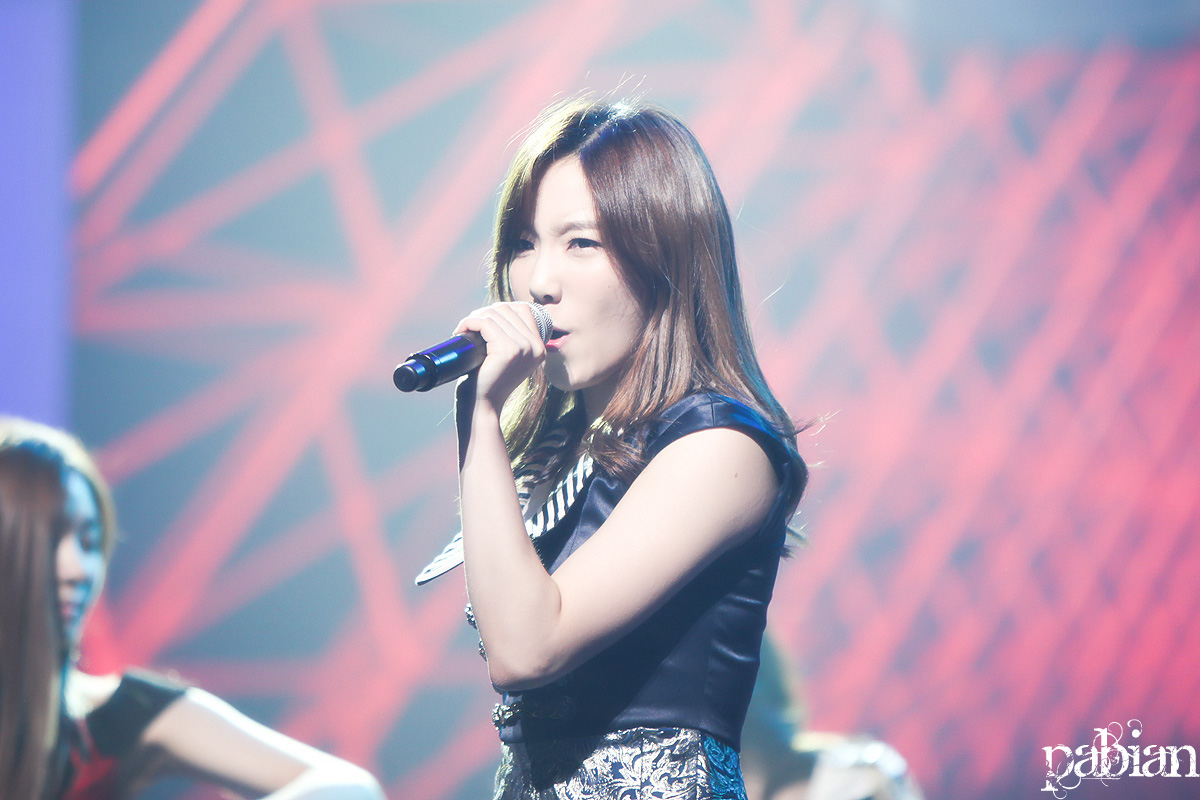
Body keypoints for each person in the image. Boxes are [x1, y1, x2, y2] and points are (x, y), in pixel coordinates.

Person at [413, 96, 808, 799]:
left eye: (581, 244)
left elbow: (527, 648)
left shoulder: (722, 445)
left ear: (665, 258)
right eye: (524, 243)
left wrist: (479, 412)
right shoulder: (557, 454)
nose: (539, 283)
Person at [0, 417, 386, 800]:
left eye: (89, 542)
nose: (79, 570)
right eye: (51, 539)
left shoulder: (122, 713)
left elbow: (352, 788)